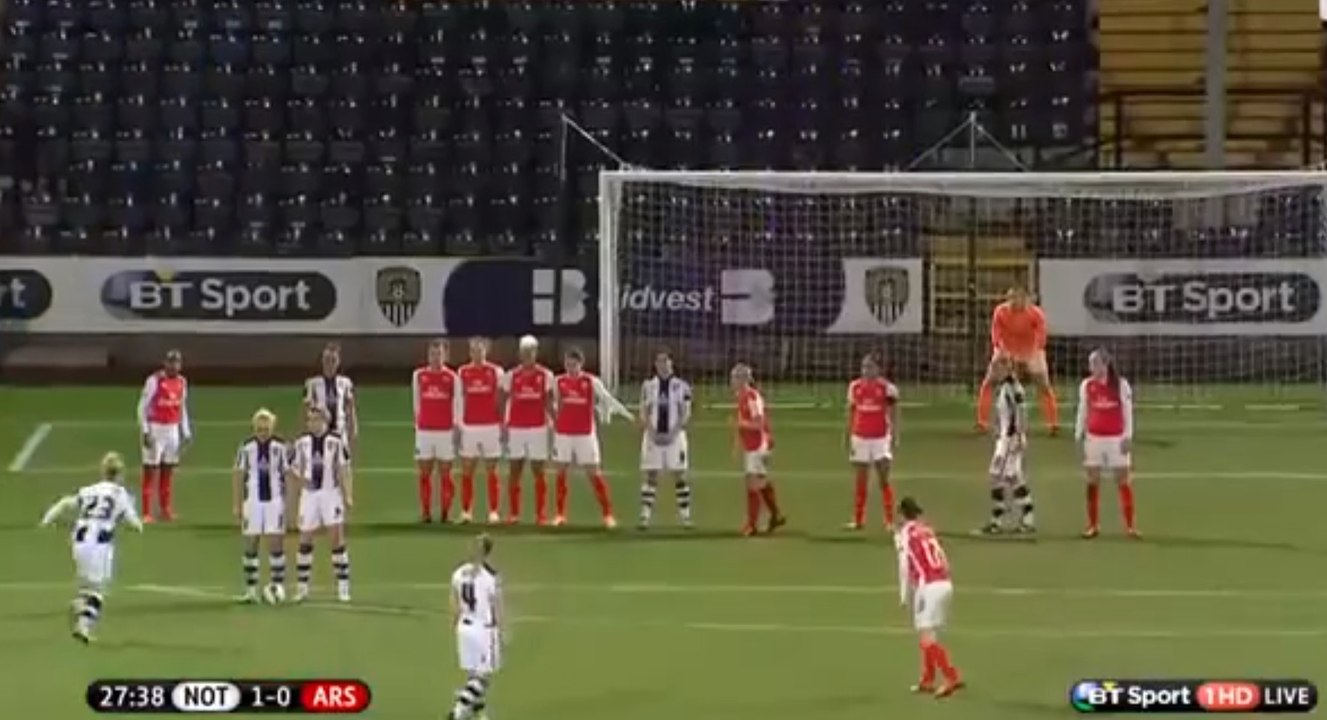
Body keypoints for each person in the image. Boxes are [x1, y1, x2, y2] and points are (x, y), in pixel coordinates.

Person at [39, 451, 144, 643]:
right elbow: (134, 524)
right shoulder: (121, 495)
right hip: (99, 546)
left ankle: (80, 605)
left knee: (88, 585)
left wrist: (47, 519)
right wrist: (136, 524)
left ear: (103, 472)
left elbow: (64, 503)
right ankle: (83, 626)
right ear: (120, 474)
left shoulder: (90, 489)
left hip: (78, 543)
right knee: (98, 591)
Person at [550, 347, 631, 528]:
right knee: (561, 473)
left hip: (585, 434)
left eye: (574, 364)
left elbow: (606, 399)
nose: (570, 368)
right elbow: (554, 404)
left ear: (581, 364)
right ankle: (560, 515)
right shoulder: (558, 382)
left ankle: (608, 515)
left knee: (594, 473)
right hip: (563, 434)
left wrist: (621, 413)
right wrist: (555, 421)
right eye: (568, 364)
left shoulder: (591, 381)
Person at [895, 497, 962, 698]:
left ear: (901, 514)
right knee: (929, 633)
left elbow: (904, 566)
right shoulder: (927, 530)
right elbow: (942, 556)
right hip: (944, 583)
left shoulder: (904, 534)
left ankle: (951, 677)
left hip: (929, 587)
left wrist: (903, 594)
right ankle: (927, 679)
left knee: (927, 637)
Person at [288, 406, 354, 603]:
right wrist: (301, 482)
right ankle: (302, 588)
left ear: (326, 420)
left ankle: (343, 587)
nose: (313, 423)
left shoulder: (336, 442)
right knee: (305, 539)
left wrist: (348, 494)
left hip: (330, 494)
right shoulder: (302, 443)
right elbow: (292, 468)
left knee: (336, 539)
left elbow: (343, 468)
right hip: (309, 496)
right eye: (310, 420)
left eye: (317, 419)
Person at [978, 287, 1058, 434]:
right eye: (1011, 298)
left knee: (1044, 385)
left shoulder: (1036, 314)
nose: (1015, 301)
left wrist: (1033, 355)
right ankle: (982, 422)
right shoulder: (1000, 312)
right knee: (989, 383)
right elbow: (996, 335)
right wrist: (1003, 352)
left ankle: (1053, 424)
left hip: (1031, 351)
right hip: (1006, 351)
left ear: (1026, 299)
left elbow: (1041, 337)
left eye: (1019, 298)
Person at [1076, 349, 1137, 539]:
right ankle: (1093, 525)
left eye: (1095, 363)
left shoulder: (1120, 385)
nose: (1091, 367)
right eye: (1090, 363)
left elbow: (1127, 411)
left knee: (1123, 481)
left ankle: (1130, 526)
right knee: (1092, 481)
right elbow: (1083, 411)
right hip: (1094, 439)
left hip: (1116, 439)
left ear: (1105, 364)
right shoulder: (1087, 385)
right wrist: (1078, 435)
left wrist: (1128, 436)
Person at [232, 408, 291, 603]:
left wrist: (290, 503)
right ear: (254, 428)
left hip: (275, 502)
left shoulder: (281, 447)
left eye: (266, 428)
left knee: (276, 544)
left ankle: (278, 586)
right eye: (259, 428)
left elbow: (288, 475)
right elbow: (239, 475)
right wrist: (237, 504)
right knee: (251, 543)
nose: (263, 431)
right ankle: (251, 590)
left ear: (272, 428)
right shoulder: (246, 447)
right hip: (253, 502)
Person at [447, 533, 505, 720]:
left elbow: (454, 605)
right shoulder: (491, 577)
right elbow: (497, 607)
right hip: (484, 629)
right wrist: (501, 632)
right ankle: (460, 710)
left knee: (474, 673)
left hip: (464, 627)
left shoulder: (458, 573)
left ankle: (477, 710)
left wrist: (455, 627)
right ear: (488, 552)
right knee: (483, 676)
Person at [978, 356, 1036, 534]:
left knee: (998, 476)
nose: (994, 372)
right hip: (1005, 439)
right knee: (1011, 477)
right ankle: (1025, 517)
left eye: (997, 368)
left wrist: (1018, 435)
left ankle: (999, 520)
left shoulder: (1013, 387)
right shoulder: (1005, 387)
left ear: (1006, 368)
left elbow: (1021, 412)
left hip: (1010, 440)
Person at [500, 336, 554, 524]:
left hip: (538, 428)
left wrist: (555, 423)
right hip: (516, 428)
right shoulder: (511, 376)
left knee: (539, 471)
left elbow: (548, 401)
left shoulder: (545, 375)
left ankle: (541, 514)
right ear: (520, 354)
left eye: (531, 351)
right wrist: (502, 424)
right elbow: (503, 400)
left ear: (536, 353)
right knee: (515, 471)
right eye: (525, 352)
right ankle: (514, 514)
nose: (528, 355)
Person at [637, 349, 694, 530]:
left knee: (679, 475)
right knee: (651, 474)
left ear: (671, 364)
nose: (662, 365)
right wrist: (651, 431)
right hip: (652, 437)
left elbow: (685, 413)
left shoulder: (682, 386)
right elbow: (644, 411)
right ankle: (645, 517)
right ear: (655, 365)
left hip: (675, 438)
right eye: (659, 362)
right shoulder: (648, 386)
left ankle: (686, 518)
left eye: (666, 362)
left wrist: (673, 433)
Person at [845, 352, 899, 531]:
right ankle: (858, 519)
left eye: (869, 367)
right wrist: (847, 435)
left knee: (883, 479)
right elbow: (851, 412)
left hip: (880, 438)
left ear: (878, 369)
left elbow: (894, 413)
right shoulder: (854, 387)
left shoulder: (887, 388)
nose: (865, 370)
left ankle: (890, 520)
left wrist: (895, 435)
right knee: (861, 479)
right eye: (863, 367)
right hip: (859, 437)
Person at [137, 349, 192, 522]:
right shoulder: (154, 381)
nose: (174, 366)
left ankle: (165, 509)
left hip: (172, 429)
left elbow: (182, 407)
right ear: (165, 363)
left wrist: (186, 430)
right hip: (156, 428)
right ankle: (146, 512)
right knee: (150, 470)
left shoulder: (182, 382)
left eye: (177, 362)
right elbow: (142, 407)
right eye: (171, 362)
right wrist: (145, 431)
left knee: (168, 470)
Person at [731, 363, 784, 537]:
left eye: (735, 377)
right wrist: (738, 444)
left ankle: (752, 525)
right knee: (758, 482)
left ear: (745, 379)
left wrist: (740, 424)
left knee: (752, 483)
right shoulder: (741, 397)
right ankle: (776, 514)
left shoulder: (751, 397)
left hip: (759, 445)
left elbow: (759, 423)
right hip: (753, 445)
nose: (732, 381)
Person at [414, 339, 462, 523]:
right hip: (425, 431)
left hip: (445, 431)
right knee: (425, 473)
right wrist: (418, 425)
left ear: (445, 355)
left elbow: (457, 403)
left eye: (439, 354)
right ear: (428, 355)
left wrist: (456, 426)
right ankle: (426, 512)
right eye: (433, 354)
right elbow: (416, 402)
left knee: (445, 474)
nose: (435, 358)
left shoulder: (452, 377)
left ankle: (445, 512)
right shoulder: (419, 375)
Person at [457, 337, 504, 524]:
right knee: (468, 469)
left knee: (491, 470)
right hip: (470, 426)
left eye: (480, 350)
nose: (477, 353)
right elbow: (459, 399)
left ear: (486, 351)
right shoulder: (463, 372)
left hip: (491, 426)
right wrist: (459, 423)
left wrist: (502, 422)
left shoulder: (496, 372)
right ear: (470, 352)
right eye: (474, 350)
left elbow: (501, 399)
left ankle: (493, 511)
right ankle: (466, 511)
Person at [304, 342, 358, 445]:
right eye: (327, 360)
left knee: (342, 460)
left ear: (338, 362)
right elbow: (306, 410)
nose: (330, 364)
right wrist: (305, 432)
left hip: (340, 432)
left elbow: (350, 409)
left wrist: (353, 429)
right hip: (319, 432)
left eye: (333, 360)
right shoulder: (312, 383)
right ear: (322, 362)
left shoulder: (346, 383)